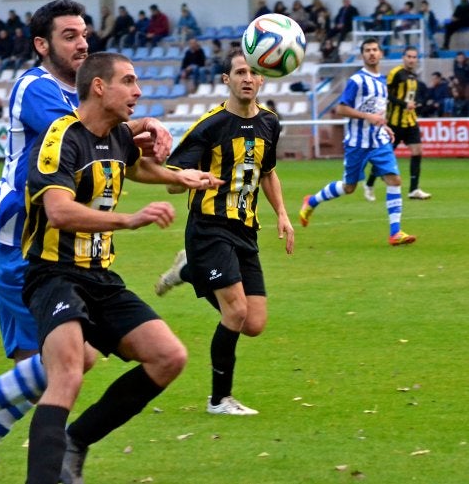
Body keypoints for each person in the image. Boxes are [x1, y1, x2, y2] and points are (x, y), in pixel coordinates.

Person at [0, 0, 174, 484]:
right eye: (69, 36)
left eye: (84, 35)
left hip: (48, 249)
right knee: (69, 366)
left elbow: (107, 145)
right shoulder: (36, 89)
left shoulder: (71, 95)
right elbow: (91, 123)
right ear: (42, 44)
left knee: (51, 373)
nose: (81, 44)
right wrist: (148, 123)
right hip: (21, 247)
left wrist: (168, 165)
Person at [23, 51, 222, 484]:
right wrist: (128, 220)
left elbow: (133, 167)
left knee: (168, 357)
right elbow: (59, 212)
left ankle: (74, 442)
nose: (138, 91)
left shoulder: (115, 135)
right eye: (129, 81)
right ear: (99, 86)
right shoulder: (60, 139)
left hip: (100, 278)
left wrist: (182, 176)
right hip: (54, 275)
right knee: (69, 370)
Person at [154, 49, 295, 415]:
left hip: (246, 229)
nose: (247, 78)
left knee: (254, 323)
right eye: (239, 72)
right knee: (235, 312)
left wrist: (282, 213)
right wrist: (190, 179)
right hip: (209, 227)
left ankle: (188, 270)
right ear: (226, 80)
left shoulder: (270, 123)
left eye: (253, 73)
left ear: (263, 79)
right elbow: (172, 179)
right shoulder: (210, 126)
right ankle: (219, 399)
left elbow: (267, 172)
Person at [299, 37, 416, 246]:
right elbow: (341, 109)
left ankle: (395, 232)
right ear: (363, 55)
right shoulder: (357, 81)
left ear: (381, 54)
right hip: (357, 142)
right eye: (367, 50)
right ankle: (312, 201)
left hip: (378, 140)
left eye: (375, 49)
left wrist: (384, 125)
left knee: (394, 179)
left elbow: (377, 112)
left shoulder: (382, 82)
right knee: (349, 187)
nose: (372, 53)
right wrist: (368, 117)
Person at [363, 46, 431, 201]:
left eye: (414, 57)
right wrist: (403, 104)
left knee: (417, 151)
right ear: (403, 57)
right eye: (409, 56)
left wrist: (416, 104)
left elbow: (413, 97)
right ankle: (369, 183)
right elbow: (386, 94)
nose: (412, 60)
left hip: (410, 121)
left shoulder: (414, 76)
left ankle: (414, 189)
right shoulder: (396, 73)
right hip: (394, 123)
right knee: (384, 157)